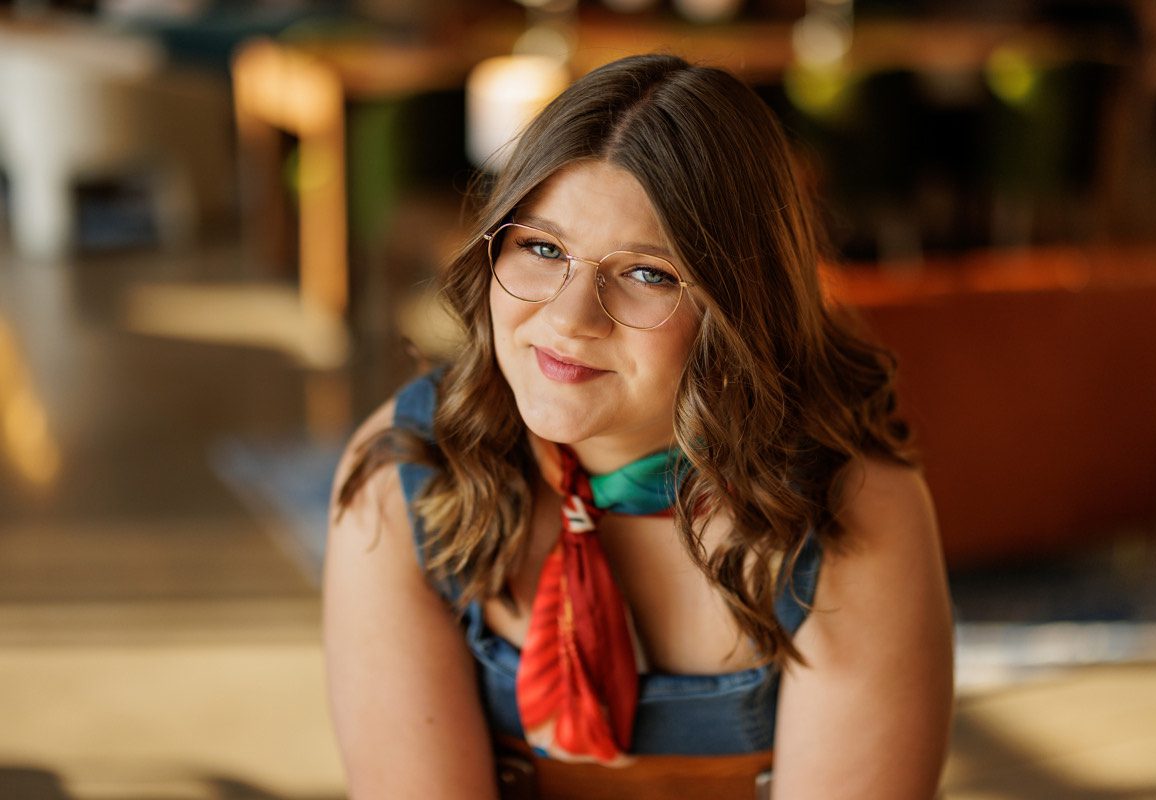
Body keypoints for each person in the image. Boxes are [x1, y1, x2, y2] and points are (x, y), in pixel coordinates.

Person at [324, 53, 954, 799]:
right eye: (543, 248)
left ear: (739, 305)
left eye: (647, 273)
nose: (570, 319)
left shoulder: (847, 506)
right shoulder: (408, 473)